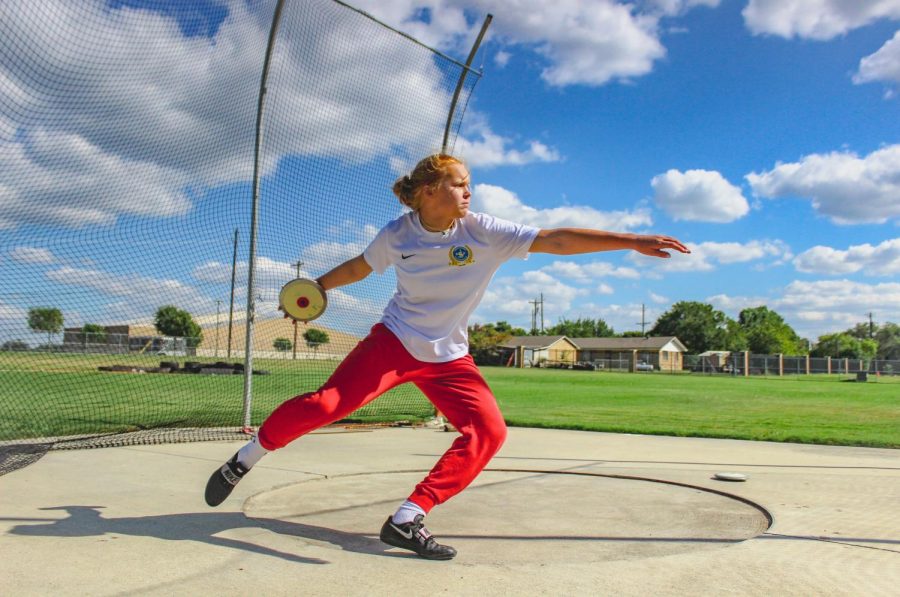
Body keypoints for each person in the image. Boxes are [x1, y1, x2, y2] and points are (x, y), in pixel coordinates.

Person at [205, 153, 690, 560]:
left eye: (469, 186)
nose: (469, 193)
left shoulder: (484, 231)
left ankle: (407, 518)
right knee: (327, 405)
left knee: (488, 432)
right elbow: (360, 266)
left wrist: (631, 240)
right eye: (461, 185)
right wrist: (316, 289)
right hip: (394, 342)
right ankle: (244, 459)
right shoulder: (398, 234)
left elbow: (555, 240)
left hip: (449, 356)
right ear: (430, 191)